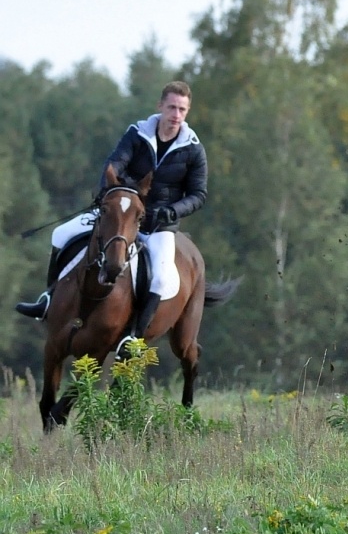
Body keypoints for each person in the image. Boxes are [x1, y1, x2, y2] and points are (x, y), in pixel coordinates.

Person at [15, 81, 209, 342]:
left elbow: (199, 194)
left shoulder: (194, 149)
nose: (176, 115)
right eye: (172, 107)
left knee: (162, 279)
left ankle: (134, 337)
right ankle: (49, 298)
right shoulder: (137, 134)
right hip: (120, 213)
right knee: (61, 234)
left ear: (187, 112)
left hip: (157, 224)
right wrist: (111, 189)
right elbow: (115, 162)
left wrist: (172, 212)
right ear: (160, 106)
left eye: (182, 110)